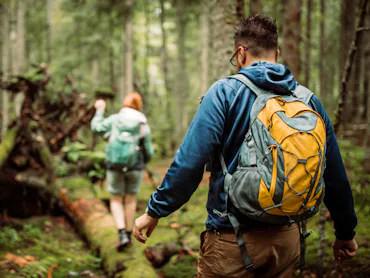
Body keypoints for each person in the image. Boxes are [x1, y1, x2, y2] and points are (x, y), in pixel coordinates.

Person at [133, 15, 358, 277]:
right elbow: (333, 174)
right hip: (287, 240)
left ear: (240, 54)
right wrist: (345, 231)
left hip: (232, 242)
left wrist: (154, 211)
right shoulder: (307, 99)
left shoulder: (224, 92)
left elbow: (190, 162)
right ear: (277, 52)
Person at [91, 92, 154, 251]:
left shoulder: (115, 120)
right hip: (135, 167)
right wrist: (143, 162)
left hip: (115, 166)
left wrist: (99, 110)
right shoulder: (142, 124)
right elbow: (148, 151)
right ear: (139, 105)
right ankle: (129, 231)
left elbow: (96, 127)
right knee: (131, 199)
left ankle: (121, 234)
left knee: (116, 199)